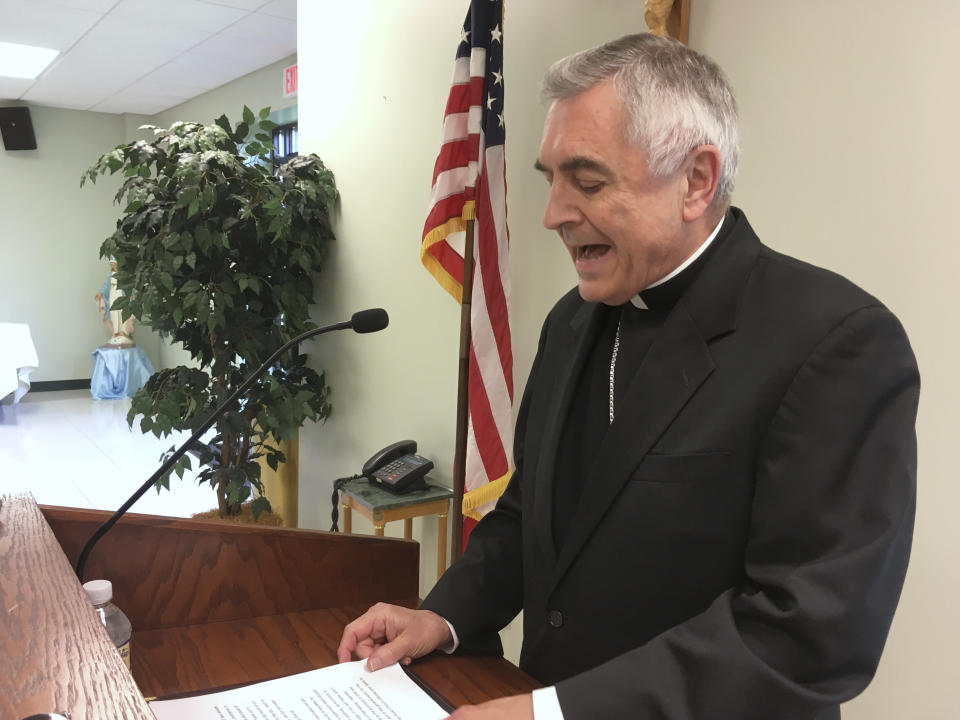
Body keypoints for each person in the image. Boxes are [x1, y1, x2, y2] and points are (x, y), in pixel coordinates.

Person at [337, 33, 920, 719]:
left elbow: (807, 634)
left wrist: (555, 714)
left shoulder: (834, 342)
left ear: (696, 181)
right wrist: (444, 616)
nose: (553, 213)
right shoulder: (571, 322)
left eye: (586, 181)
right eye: (548, 179)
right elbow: (530, 517)